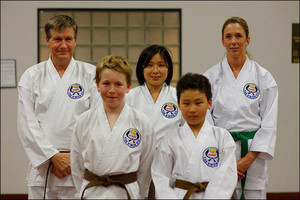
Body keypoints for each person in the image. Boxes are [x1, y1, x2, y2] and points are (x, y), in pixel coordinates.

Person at [17, 15, 101, 199]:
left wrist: (73, 159)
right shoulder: (31, 76)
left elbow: (97, 120)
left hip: (78, 165)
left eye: (68, 39)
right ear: (47, 41)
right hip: (43, 167)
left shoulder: (91, 74)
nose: (63, 45)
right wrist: (53, 157)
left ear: (75, 41)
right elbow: (26, 125)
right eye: (57, 39)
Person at [203, 16, 278, 199]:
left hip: (252, 154)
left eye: (239, 36)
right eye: (228, 36)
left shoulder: (263, 77)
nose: (234, 41)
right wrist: (226, 161)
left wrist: (247, 159)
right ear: (222, 41)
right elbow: (205, 122)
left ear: (248, 40)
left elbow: (269, 123)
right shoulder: (210, 77)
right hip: (219, 155)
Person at [71, 55, 155, 199]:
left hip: (126, 192)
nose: (112, 90)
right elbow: (77, 165)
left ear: (128, 86)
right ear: (97, 85)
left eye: (118, 84)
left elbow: (145, 167)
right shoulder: (84, 121)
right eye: (106, 83)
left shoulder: (141, 121)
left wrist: (139, 194)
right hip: (92, 193)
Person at [151, 73, 237, 199]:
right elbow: (160, 176)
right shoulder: (170, 138)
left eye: (198, 103)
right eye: (186, 103)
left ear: (209, 103)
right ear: (179, 105)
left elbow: (227, 175)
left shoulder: (222, 137)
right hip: (180, 196)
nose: (192, 109)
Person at [126, 45, 184, 149]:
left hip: (170, 159)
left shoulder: (179, 96)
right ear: (141, 69)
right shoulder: (129, 97)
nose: (155, 71)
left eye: (161, 65)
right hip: (137, 160)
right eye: (149, 65)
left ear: (168, 69)